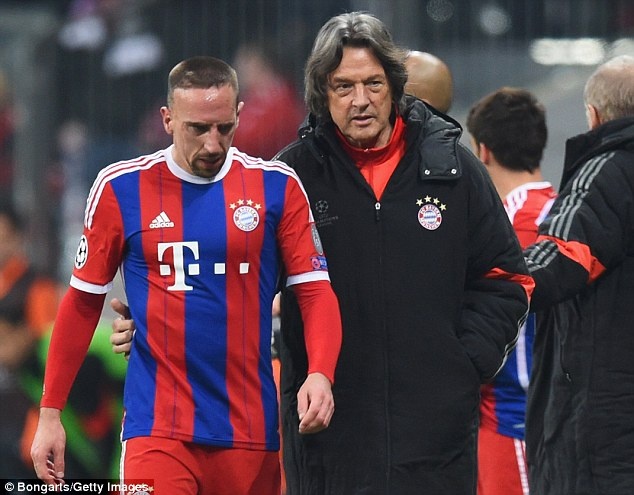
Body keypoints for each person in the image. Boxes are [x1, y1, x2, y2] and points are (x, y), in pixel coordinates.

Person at [110, 13, 533, 494]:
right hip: (328, 432)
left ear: (395, 86)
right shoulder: (290, 178)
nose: (360, 100)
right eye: (343, 86)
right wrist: (155, 320)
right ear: (321, 93)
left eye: (373, 83)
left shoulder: (454, 169)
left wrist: (460, 365)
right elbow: (229, 281)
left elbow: (507, 280)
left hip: (435, 437)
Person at [30, 55, 342, 495]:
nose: (213, 144)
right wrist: (50, 413)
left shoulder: (277, 186)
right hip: (158, 429)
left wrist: (321, 373)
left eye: (224, 128)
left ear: (239, 114)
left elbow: (314, 293)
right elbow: (82, 302)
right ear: (168, 119)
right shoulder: (121, 188)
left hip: (250, 431)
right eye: (197, 128)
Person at [524, 54, 634, 495]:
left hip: (607, 422)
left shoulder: (607, 169)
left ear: (594, 115)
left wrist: (479, 278)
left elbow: (561, 261)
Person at [466, 87, 557, 495]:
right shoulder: (571, 212)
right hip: (558, 416)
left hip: (509, 420)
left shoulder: (501, 225)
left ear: (482, 150)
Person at [0, 199, 59, 481]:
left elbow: (36, 345)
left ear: (17, 237)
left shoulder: (37, 285)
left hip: (26, 416)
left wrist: (17, 338)